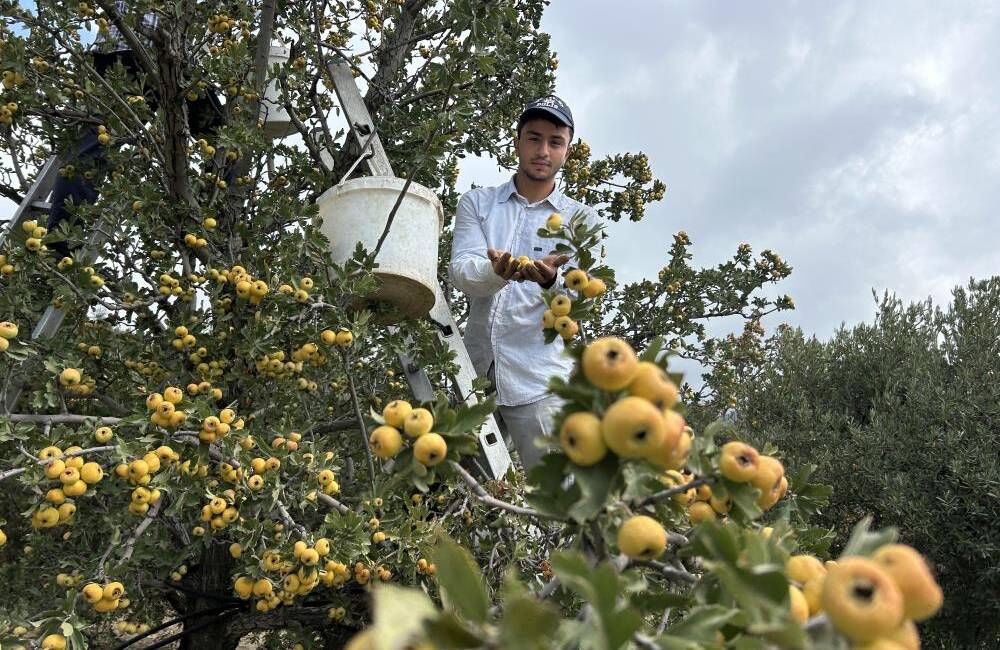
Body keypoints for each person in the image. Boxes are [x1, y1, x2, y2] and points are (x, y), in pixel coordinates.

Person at [449, 95, 599, 470]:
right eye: (533, 138)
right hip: (477, 373)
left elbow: (585, 297)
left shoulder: (582, 220)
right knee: (455, 496)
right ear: (516, 142)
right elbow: (463, 272)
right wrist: (495, 274)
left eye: (554, 142)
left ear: (567, 151)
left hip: (541, 379)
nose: (542, 150)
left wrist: (552, 281)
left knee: (558, 498)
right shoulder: (478, 204)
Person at [47, 2, 224, 250]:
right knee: (221, 140)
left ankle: (214, 225)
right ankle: (61, 247)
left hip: (139, 53)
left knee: (224, 141)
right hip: (134, 51)